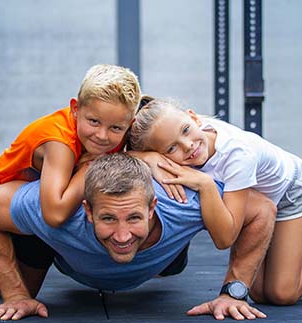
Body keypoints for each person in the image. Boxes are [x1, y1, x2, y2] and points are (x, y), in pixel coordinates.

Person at [0, 153, 276, 321]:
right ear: (87, 210)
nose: (123, 234)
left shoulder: (183, 203)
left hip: (162, 258)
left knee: (171, 261)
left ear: (153, 207)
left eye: (134, 217)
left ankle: (171, 250)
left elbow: (261, 209)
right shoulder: (59, 210)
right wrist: (15, 293)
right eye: (108, 218)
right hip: (62, 251)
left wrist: (233, 292)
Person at [0, 64, 141, 298]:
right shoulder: (59, 143)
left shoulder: (116, 127)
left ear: (130, 124)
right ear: (75, 109)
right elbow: (54, 215)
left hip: (36, 211)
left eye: (115, 128)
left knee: (27, 291)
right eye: (93, 122)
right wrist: (86, 169)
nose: (102, 135)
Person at [127, 98, 302, 305]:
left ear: (193, 117)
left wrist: (205, 184)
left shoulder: (237, 155)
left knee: (282, 294)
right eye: (171, 149)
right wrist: (143, 157)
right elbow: (119, 155)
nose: (188, 145)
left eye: (185, 130)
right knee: (260, 293)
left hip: (292, 193)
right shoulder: (181, 139)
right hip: (261, 198)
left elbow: (226, 237)